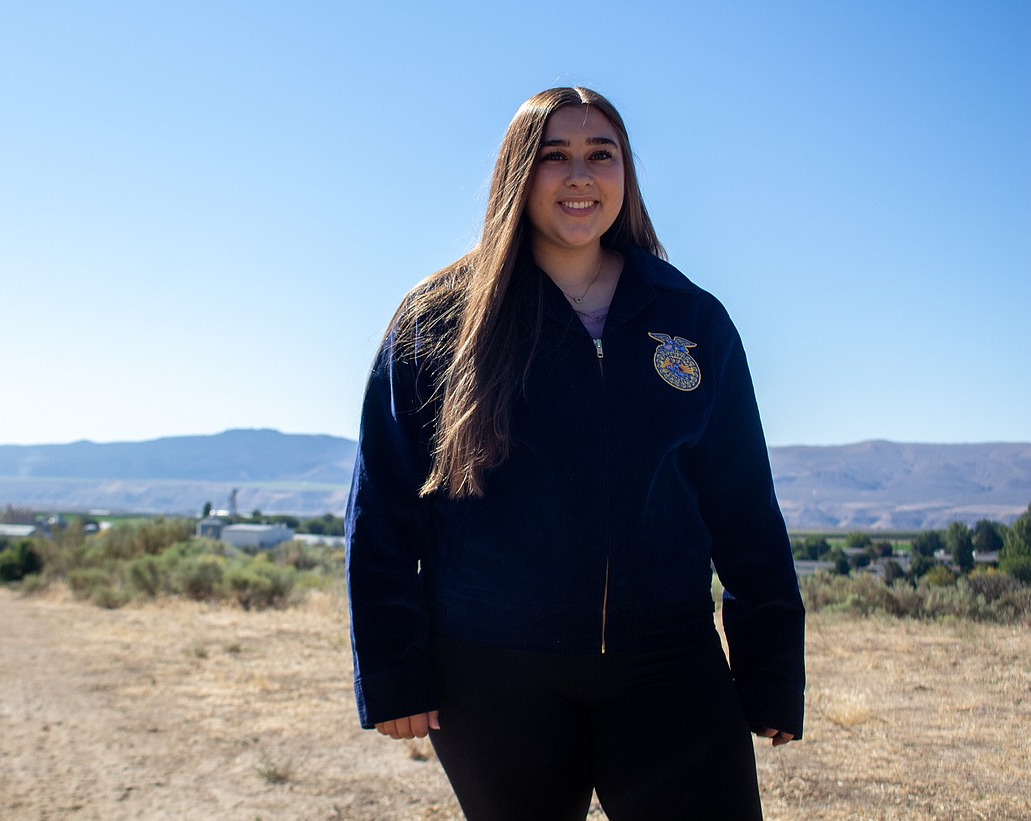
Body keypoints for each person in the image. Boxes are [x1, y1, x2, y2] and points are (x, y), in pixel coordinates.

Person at [345, 87, 805, 820]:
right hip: (493, 671)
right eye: (553, 156)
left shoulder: (691, 320)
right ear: (516, 175)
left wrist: (772, 668)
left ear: (627, 174)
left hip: (667, 663)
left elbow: (744, 506)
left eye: (602, 155)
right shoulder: (438, 319)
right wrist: (393, 670)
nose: (580, 175)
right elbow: (383, 508)